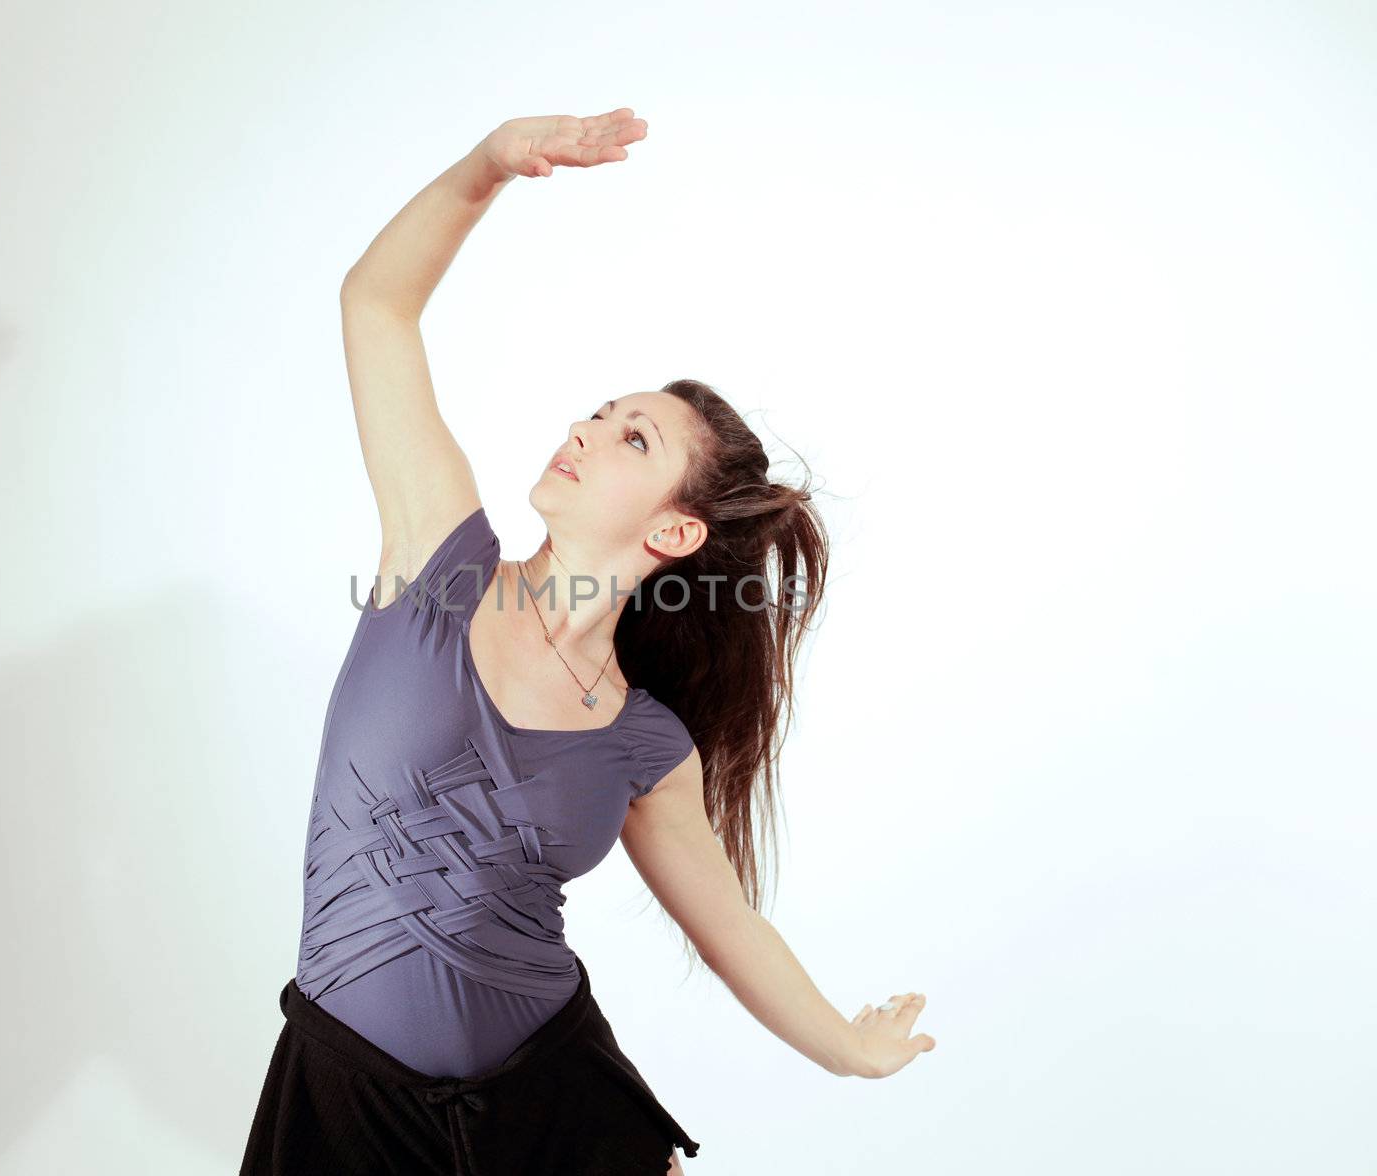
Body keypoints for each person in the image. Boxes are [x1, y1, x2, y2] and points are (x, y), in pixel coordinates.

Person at [240, 108, 936, 1176]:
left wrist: (850, 1049)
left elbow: (730, 930)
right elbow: (376, 306)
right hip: (347, 1103)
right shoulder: (437, 561)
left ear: (673, 531)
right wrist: (487, 168)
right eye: (598, 412)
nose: (583, 429)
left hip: (549, 1107)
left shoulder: (645, 746)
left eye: (631, 436)